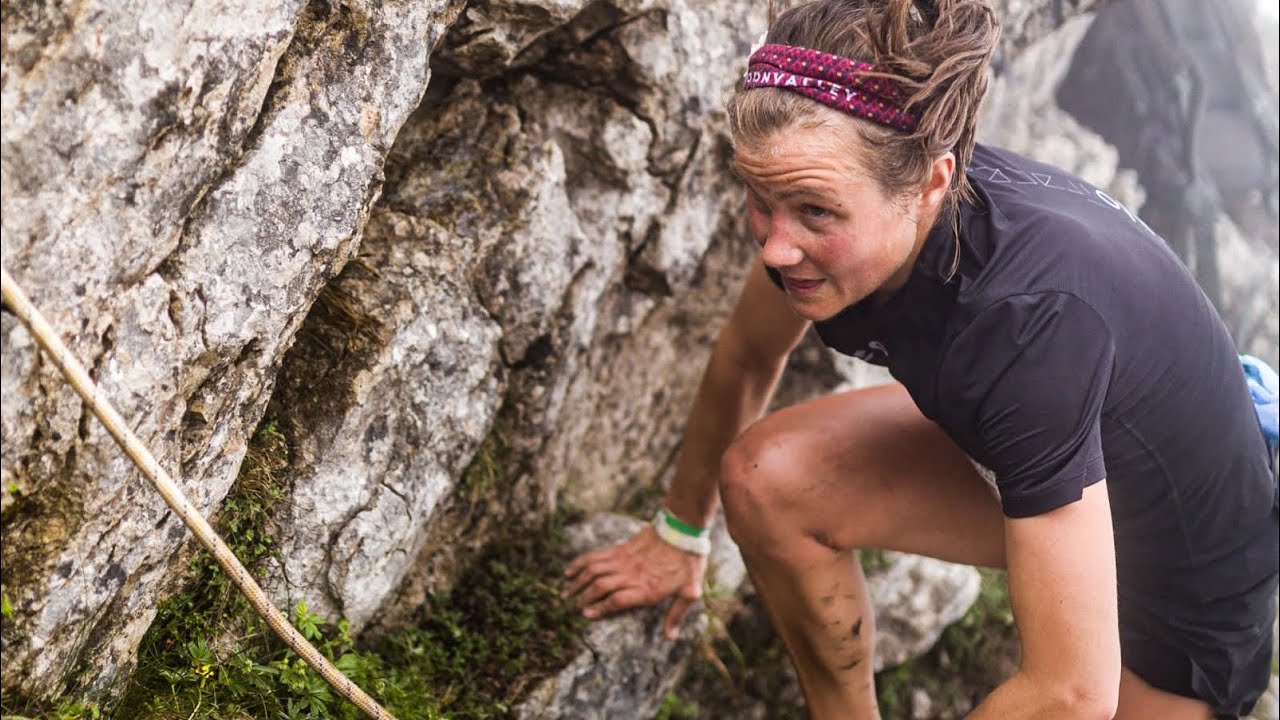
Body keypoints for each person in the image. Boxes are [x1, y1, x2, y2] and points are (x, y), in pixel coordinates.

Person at [562, 0, 1280, 717]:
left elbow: (1069, 694)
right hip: (1055, 466)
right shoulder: (838, 204)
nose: (776, 247)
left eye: (814, 211)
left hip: (1186, 581)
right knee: (769, 480)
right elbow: (749, 358)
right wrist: (679, 532)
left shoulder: (1024, 323)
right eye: (760, 200)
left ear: (931, 185)